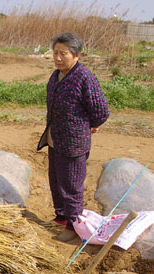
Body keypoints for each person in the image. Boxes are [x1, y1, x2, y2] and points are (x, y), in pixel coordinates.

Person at [37, 32, 110, 242]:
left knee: (71, 185)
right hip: (55, 138)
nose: (58, 57)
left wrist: (92, 124)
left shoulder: (84, 77)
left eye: (64, 53)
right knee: (56, 179)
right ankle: (62, 216)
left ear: (76, 55)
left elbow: (101, 109)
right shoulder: (56, 75)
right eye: (55, 52)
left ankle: (74, 225)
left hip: (73, 142)